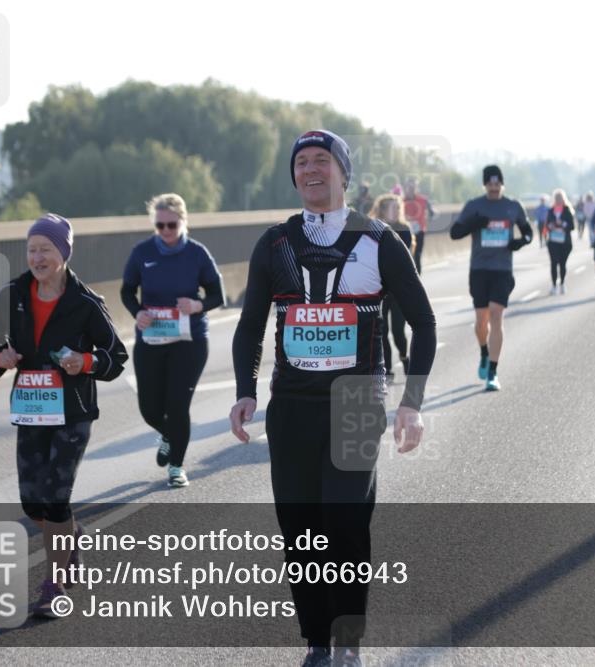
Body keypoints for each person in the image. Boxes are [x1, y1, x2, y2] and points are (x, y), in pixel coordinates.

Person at [229, 130, 436, 667]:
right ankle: (317, 641)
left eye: (323, 160)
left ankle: (348, 642)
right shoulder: (274, 243)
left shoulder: (380, 240)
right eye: (301, 162)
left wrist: (411, 401)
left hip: (355, 401)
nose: (311, 170)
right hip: (292, 406)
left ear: (344, 173)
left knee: (343, 521)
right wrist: (244, 392)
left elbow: (424, 322)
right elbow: (251, 325)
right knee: (300, 528)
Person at [0, 213, 128, 618]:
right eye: (31, 249)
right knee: (33, 503)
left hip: (72, 412)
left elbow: (116, 357)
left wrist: (86, 361)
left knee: (56, 498)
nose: (37, 257)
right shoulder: (13, 293)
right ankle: (70, 538)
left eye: (46, 249)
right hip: (30, 411)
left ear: (63, 253)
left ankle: (54, 585)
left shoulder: (85, 303)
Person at [120, 193, 226, 488]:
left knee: (178, 406)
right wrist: (138, 312)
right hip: (151, 340)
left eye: (171, 225)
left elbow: (219, 294)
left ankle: (177, 467)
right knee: (149, 408)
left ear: (183, 221)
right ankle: (169, 434)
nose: (166, 231)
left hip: (189, 341)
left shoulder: (197, 253)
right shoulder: (142, 253)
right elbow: (127, 291)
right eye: (160, 225)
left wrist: (197, 306)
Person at [449, 165, 533, 391]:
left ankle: (493, 373)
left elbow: (528, 232)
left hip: (502, 270)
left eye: (497, 184)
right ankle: (484, 352)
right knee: (481, 322)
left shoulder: (513, 207)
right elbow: (454, 233)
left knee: (497, 316)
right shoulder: (474, 206)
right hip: (479, 270)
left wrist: (520, 241)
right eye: (490, 184)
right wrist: (475, 223)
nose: (494, 188)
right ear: (484, 185)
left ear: (502, 184)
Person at [370, 193, 415, 380]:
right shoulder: (372, 229)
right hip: (378, 289)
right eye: (392, 207)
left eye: (398, 207)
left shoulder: (404, 229)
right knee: (382, 332)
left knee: (398, 331)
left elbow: (401, 261)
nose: (397, 211)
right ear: (382, 210)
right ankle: (386, 368)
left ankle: (404, 358)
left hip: (398, 289)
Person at [545, 189, 575, 294]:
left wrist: (562, 224)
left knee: (562, 264)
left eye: (560, 198)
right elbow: (547, 225)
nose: (558, 200)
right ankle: (554, 286)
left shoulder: (567, 210)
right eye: (556, 198)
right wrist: (551, 226)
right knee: (553, 263)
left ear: (563, 199)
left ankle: (562, 283)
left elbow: (572, 226)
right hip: (553, 242)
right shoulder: (550, 210)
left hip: (565, 242)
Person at [402, 176, 434, 274]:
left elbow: (432, 213)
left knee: (417, 255)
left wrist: (425, 220)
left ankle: (418, 278)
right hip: (405, 231)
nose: (411, 190)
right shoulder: (401, 200)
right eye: (409, 187)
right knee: (405, 255)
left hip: (419, 231)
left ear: (416, 188)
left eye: (413, 187)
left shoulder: (423, 200)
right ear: (406, 188)